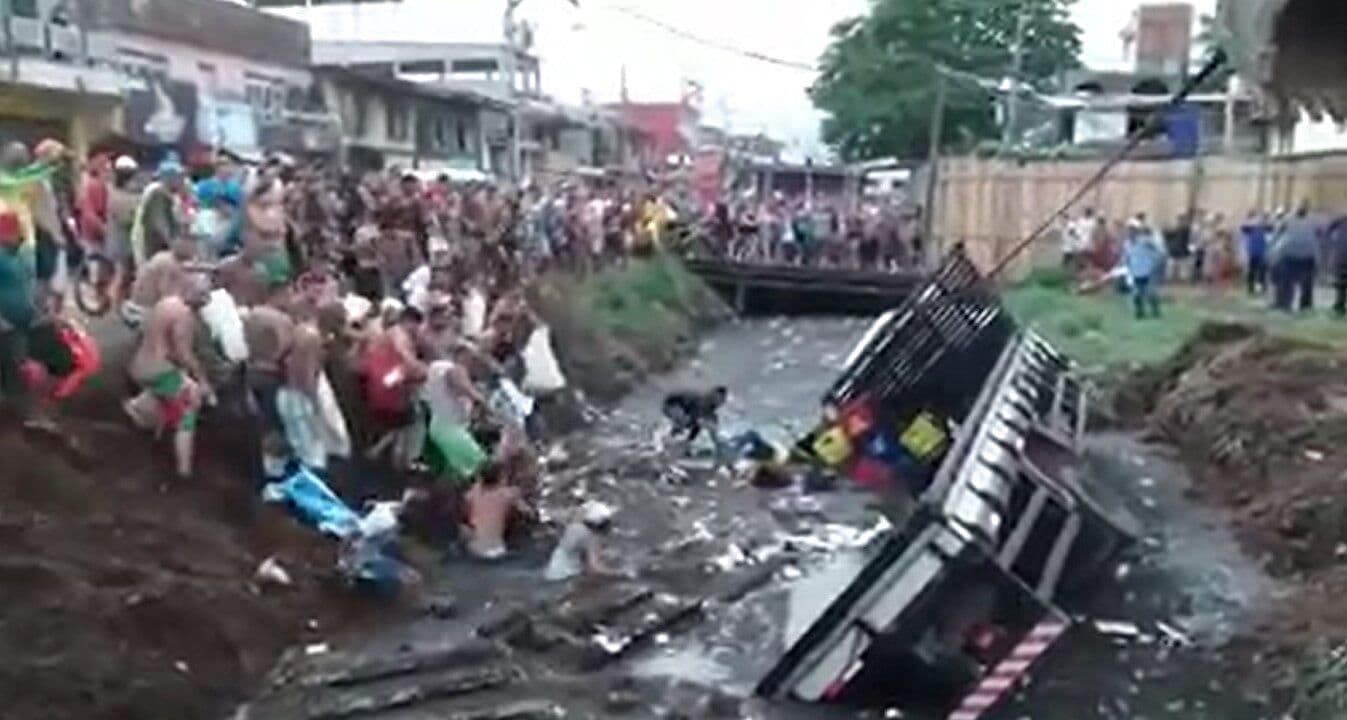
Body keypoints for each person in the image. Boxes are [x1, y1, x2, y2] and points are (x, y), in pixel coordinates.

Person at [125, 278, 213, 479]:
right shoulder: (184, 316)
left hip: (141, 365)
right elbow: (183, 354)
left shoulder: (166, 303)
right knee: (188, 406)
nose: (206, 301)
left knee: (169, 393)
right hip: (159, 370)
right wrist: (201, 379)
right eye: (204, 296)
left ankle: (137, 412)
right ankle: (184, 470)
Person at [462, 460, 533, 560]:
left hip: (474, 550)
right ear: (501, 477)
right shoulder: (509, 495)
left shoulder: (471, 494)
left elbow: (465, 519)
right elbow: (530, 515)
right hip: (497, 551)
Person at [0, 207, 33, 411]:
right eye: (15, 232)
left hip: (19, 323)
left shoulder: (19, 255)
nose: (20, 235)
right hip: (4, 325)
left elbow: (25, 285)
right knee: (11, 368)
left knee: (17, 366)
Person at [130, 156, 187, 267]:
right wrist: (173, 245)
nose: (181, 181)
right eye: (179, 177)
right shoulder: (157, 192)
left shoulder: (168, 194)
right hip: (148, 242)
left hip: (154, 242)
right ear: (169, 178)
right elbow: (159, 224)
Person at [544, 501, 615, 581]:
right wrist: (620, 574)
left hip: (553, 568)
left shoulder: (574, 526)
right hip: (567, 576)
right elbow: (594, 568)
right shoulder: (591, 537)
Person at [1272, 203, 1319, 312]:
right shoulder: (1312, 221)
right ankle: (1305, 305)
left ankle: (1284, 303)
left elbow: (1277, 234)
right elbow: (1316, 237)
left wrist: (1274, 249)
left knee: (1287, 281)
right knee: (1306, 283)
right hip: (1307, 255)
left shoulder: (1288, 219)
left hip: (1291, 254)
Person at [661, 386, 728, 452]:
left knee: (700, 423)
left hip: (684, 417)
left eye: (720, 400)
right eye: (716, 397)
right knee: (687, 420)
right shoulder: (697, 398)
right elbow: (675, 400)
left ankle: (673, 441)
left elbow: (698, 426)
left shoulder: (710, 413)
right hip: (674, 407)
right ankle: (668, 437)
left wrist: (689, 439)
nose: (717, 400)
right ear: (712, 393)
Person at [1123, 220, 1164, 319]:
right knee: (1136, 294)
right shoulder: (1127, 244)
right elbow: (1127, 257)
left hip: (1149, 271)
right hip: (1136, 272)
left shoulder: (1146, 241)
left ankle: (1156, 310)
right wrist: (1127, 268)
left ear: (1137, 231)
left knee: (1150, 293)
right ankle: (1139, 312)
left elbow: (1159, 250)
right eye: (1129, 230)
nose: (1130, 232)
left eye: (1133, 230)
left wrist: (1156, 262)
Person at [1240, 210, 1271, 295]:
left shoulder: (1265, 229)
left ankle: (1260, 287)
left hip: (1260, 253)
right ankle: (1252, 288)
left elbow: (1270, 228)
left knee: (1260, 272)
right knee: (1253, 271)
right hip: (1255, 252)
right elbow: (1243, 227)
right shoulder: (1252, 228)